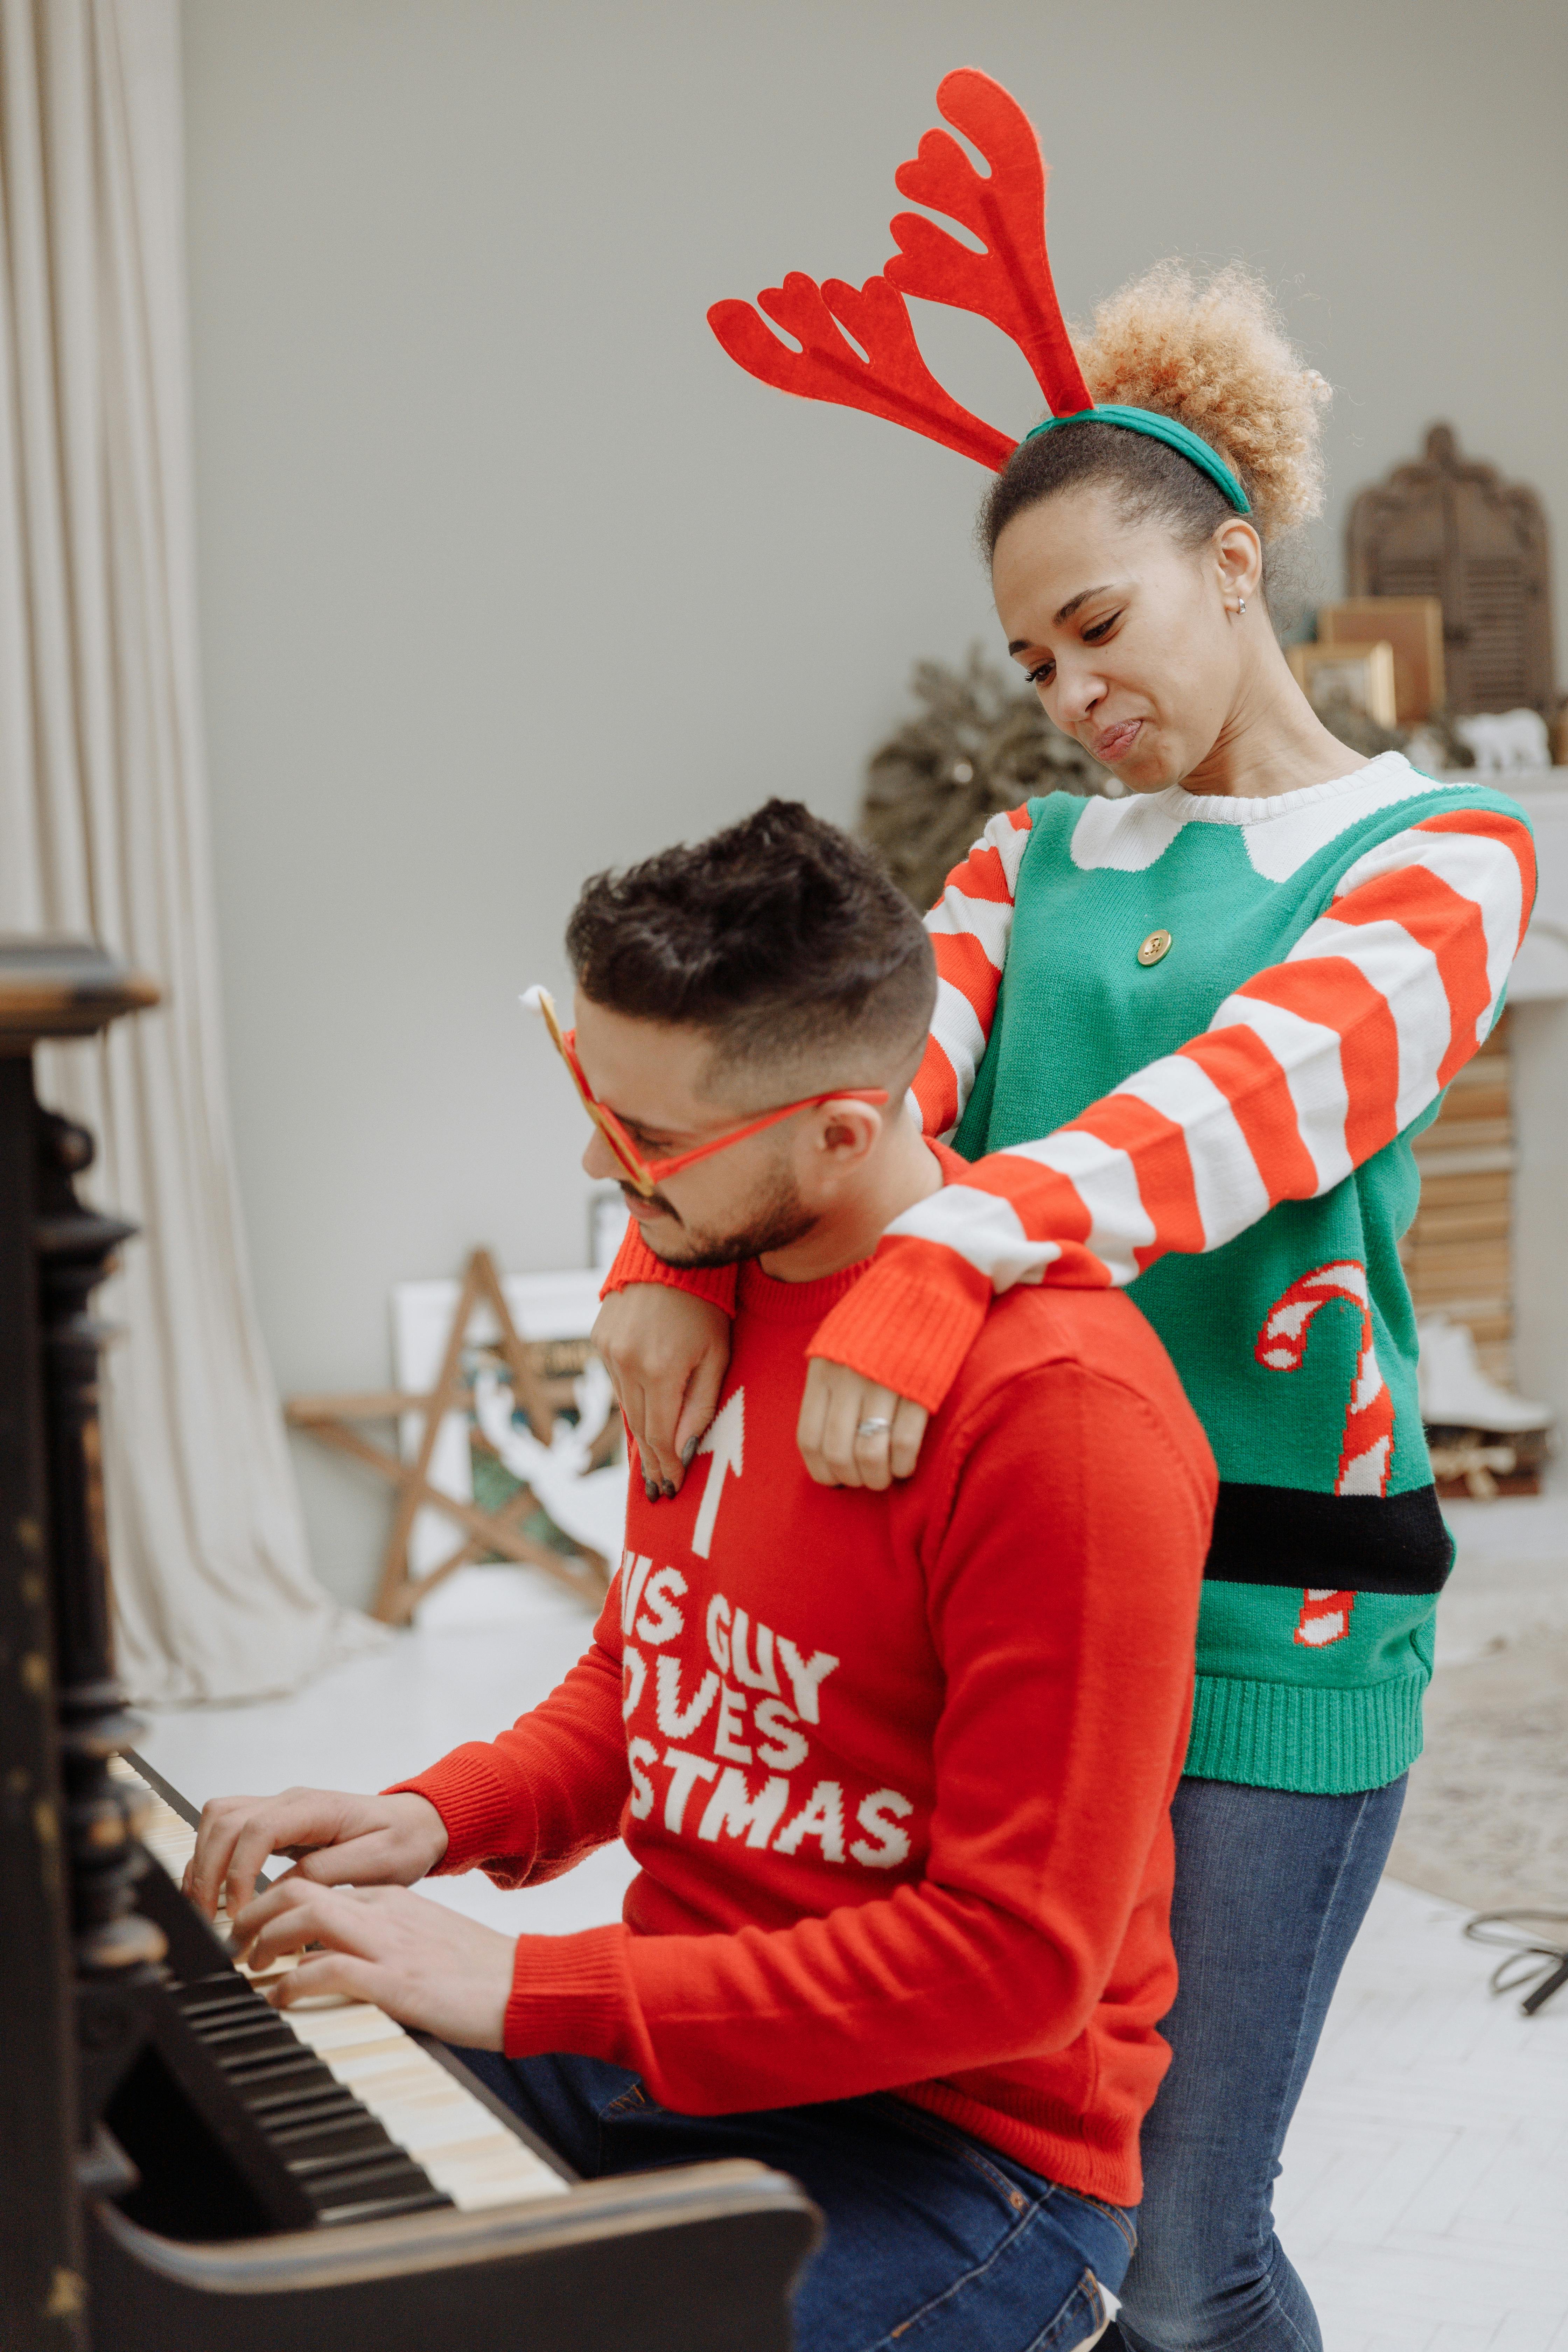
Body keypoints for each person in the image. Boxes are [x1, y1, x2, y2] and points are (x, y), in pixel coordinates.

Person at [592, 70, 1538, 2352]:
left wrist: (945, 1250)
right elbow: (855, 1099)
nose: (1071, 692)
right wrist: (665, 1255)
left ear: (1237, 563)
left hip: (1276, 1626)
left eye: (1098, 624)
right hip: (1011, 1603)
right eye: (1034, 660)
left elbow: (1237, 1115)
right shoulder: (1029, 860)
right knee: (1006, 2182)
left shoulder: (1442, 862)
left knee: (1191, 2256)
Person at [187, 803, 1216, 2352]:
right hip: (681, 2044)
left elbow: (1013, 1967)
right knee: (236, 2151)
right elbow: (660, 1665)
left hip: (952, 2161)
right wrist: (428, 1820)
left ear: (840, 1134)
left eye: (649, 1144)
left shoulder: (1063, 1421)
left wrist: (532, 1990)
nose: (603, 1170)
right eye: (594, 1103)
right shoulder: (705, 1299)